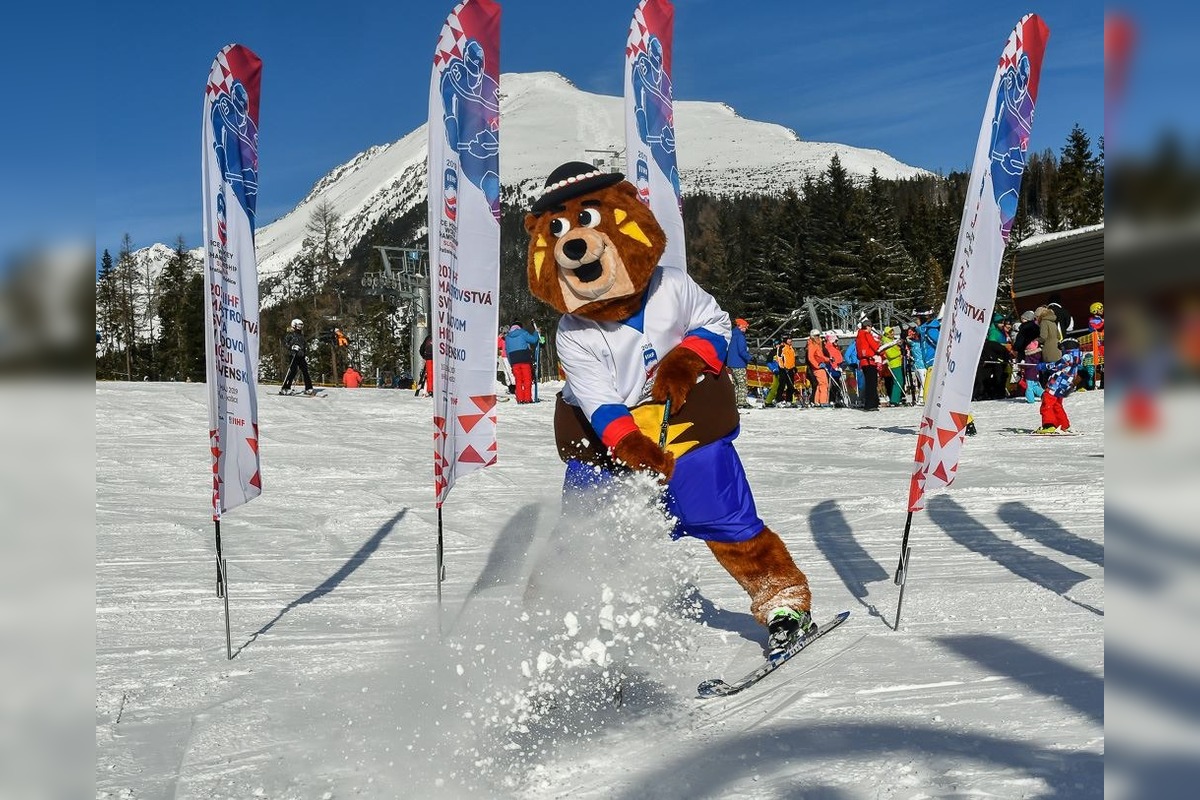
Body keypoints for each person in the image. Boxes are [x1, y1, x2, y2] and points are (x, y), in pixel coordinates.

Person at [1036, 338, 1083, 433]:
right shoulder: (1078, 357)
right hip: (1065, 385)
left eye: (1062, 349)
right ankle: (1063, 425)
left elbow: (1057, 365)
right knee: (1057, 405)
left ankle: (1049, 425)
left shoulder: (1068, 357)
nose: (1061, 351)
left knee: (1047, 403)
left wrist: (1044, 366)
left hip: (1056, 384)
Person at [505, 321, 541, 403]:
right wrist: (536, 332)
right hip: (524, 358)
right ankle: (527, 398)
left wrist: (511, 363)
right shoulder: (523, 333)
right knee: (527, 379)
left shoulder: (507, 337)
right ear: (519, 327)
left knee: (518, 381)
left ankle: (520, 398)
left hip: (514, 360)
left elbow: (507, 351)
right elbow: (533, 340)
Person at [280, 318, 315, 395]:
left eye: (301, 325)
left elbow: (304, 346)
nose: (300, 327)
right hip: (293, 355)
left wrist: (306, 355)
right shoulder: (290, 334)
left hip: (301, 356)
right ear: (294, 325)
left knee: (305, 371)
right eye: (299, 325)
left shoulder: (301, 336)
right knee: (293, 371)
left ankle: (309, 388)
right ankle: (286, 387)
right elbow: (285, 343)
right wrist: (292, 347)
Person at [855, 318, 881, 411]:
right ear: (868, 326)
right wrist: (880, 348)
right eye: (870, 326)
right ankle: (871, 404)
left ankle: (870, 403)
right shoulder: (866, 334)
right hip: (870, 361)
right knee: (872, 383)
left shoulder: (858, 336)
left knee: (868, 383)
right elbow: (875, 346)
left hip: (863, 362)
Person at [727, 318, 752, 409]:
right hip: (739, 363)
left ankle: (735, 401)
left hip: (731, 363)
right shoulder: (740, 336)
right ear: (740, 326)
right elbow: (741, 351)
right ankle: (742, 402)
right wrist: (750, 358)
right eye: (745, 327)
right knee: (742, 383)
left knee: (736, 384)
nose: (746, 329)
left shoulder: (732, 335)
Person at [878, 326, 905, 406]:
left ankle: (897, 398)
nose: (892, 333)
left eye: (892, 331)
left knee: (899, 381)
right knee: (898, 381)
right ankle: (895, 399)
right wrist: (900, 353)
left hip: (897, 362)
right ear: (887, 334)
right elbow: (890, 354)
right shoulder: (887, 342)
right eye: (890, 332)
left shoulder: (891, 340)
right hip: (894, 364)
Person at [805, 329, 831, 407]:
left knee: (820, 384)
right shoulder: (812, 345)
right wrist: (817, 365)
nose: (818, 337)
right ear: (812, 336)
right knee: (824, 384)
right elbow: (810, 357)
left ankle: (817, 401)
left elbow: (820, 356)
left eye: (818, 336)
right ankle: (823, 401)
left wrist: (828, 359)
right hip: (818, 368)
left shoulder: (817, 345)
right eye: (816, 336)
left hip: (820, 366)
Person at [774, 335, 798, 407]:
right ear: (785, 340)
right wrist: (782, 367)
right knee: (782, 385)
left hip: (790, 369)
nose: (790, 340)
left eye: (791, 339)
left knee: (790, 385)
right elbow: (779, 358)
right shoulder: (782, 347)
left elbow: (792, 359)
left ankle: (789, 400)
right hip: (783, 369)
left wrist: (794, 367)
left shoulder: (791, 348)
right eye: (788, 339)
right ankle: (778, 400)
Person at [1086, 301, 1104, 389]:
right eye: (1100, 308)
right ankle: (1091, 384)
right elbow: (1098, 327)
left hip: (1103, 344)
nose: (1102, 310)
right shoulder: (1092, 320)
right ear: (1095, 310)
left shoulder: (1101, 319)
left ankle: (1103, 383)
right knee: (1097, 364)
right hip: (1097, 345)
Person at [497, 327, 515, 394]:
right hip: (504, 357)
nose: (504, 334)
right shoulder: (502, 339)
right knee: (506, 372)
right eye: (503, 332)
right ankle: (510, 386)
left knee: (510, 371)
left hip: (509, 356)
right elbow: (498, 345)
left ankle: (514, 386)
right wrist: (499, 338)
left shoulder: (510, 338)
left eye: (505, 332)